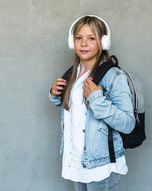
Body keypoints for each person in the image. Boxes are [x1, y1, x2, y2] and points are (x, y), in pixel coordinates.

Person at [49, 15, 135, 191]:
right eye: (79, 38)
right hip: (76, 161)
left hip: (101, 165)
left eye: (91, 38)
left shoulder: (114, 77)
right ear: (72, 42)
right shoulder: (73, 74)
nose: (83, 43)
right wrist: (55, 94)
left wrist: (96, 99)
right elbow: (77, 113)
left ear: (103, 42)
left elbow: (127, 124)